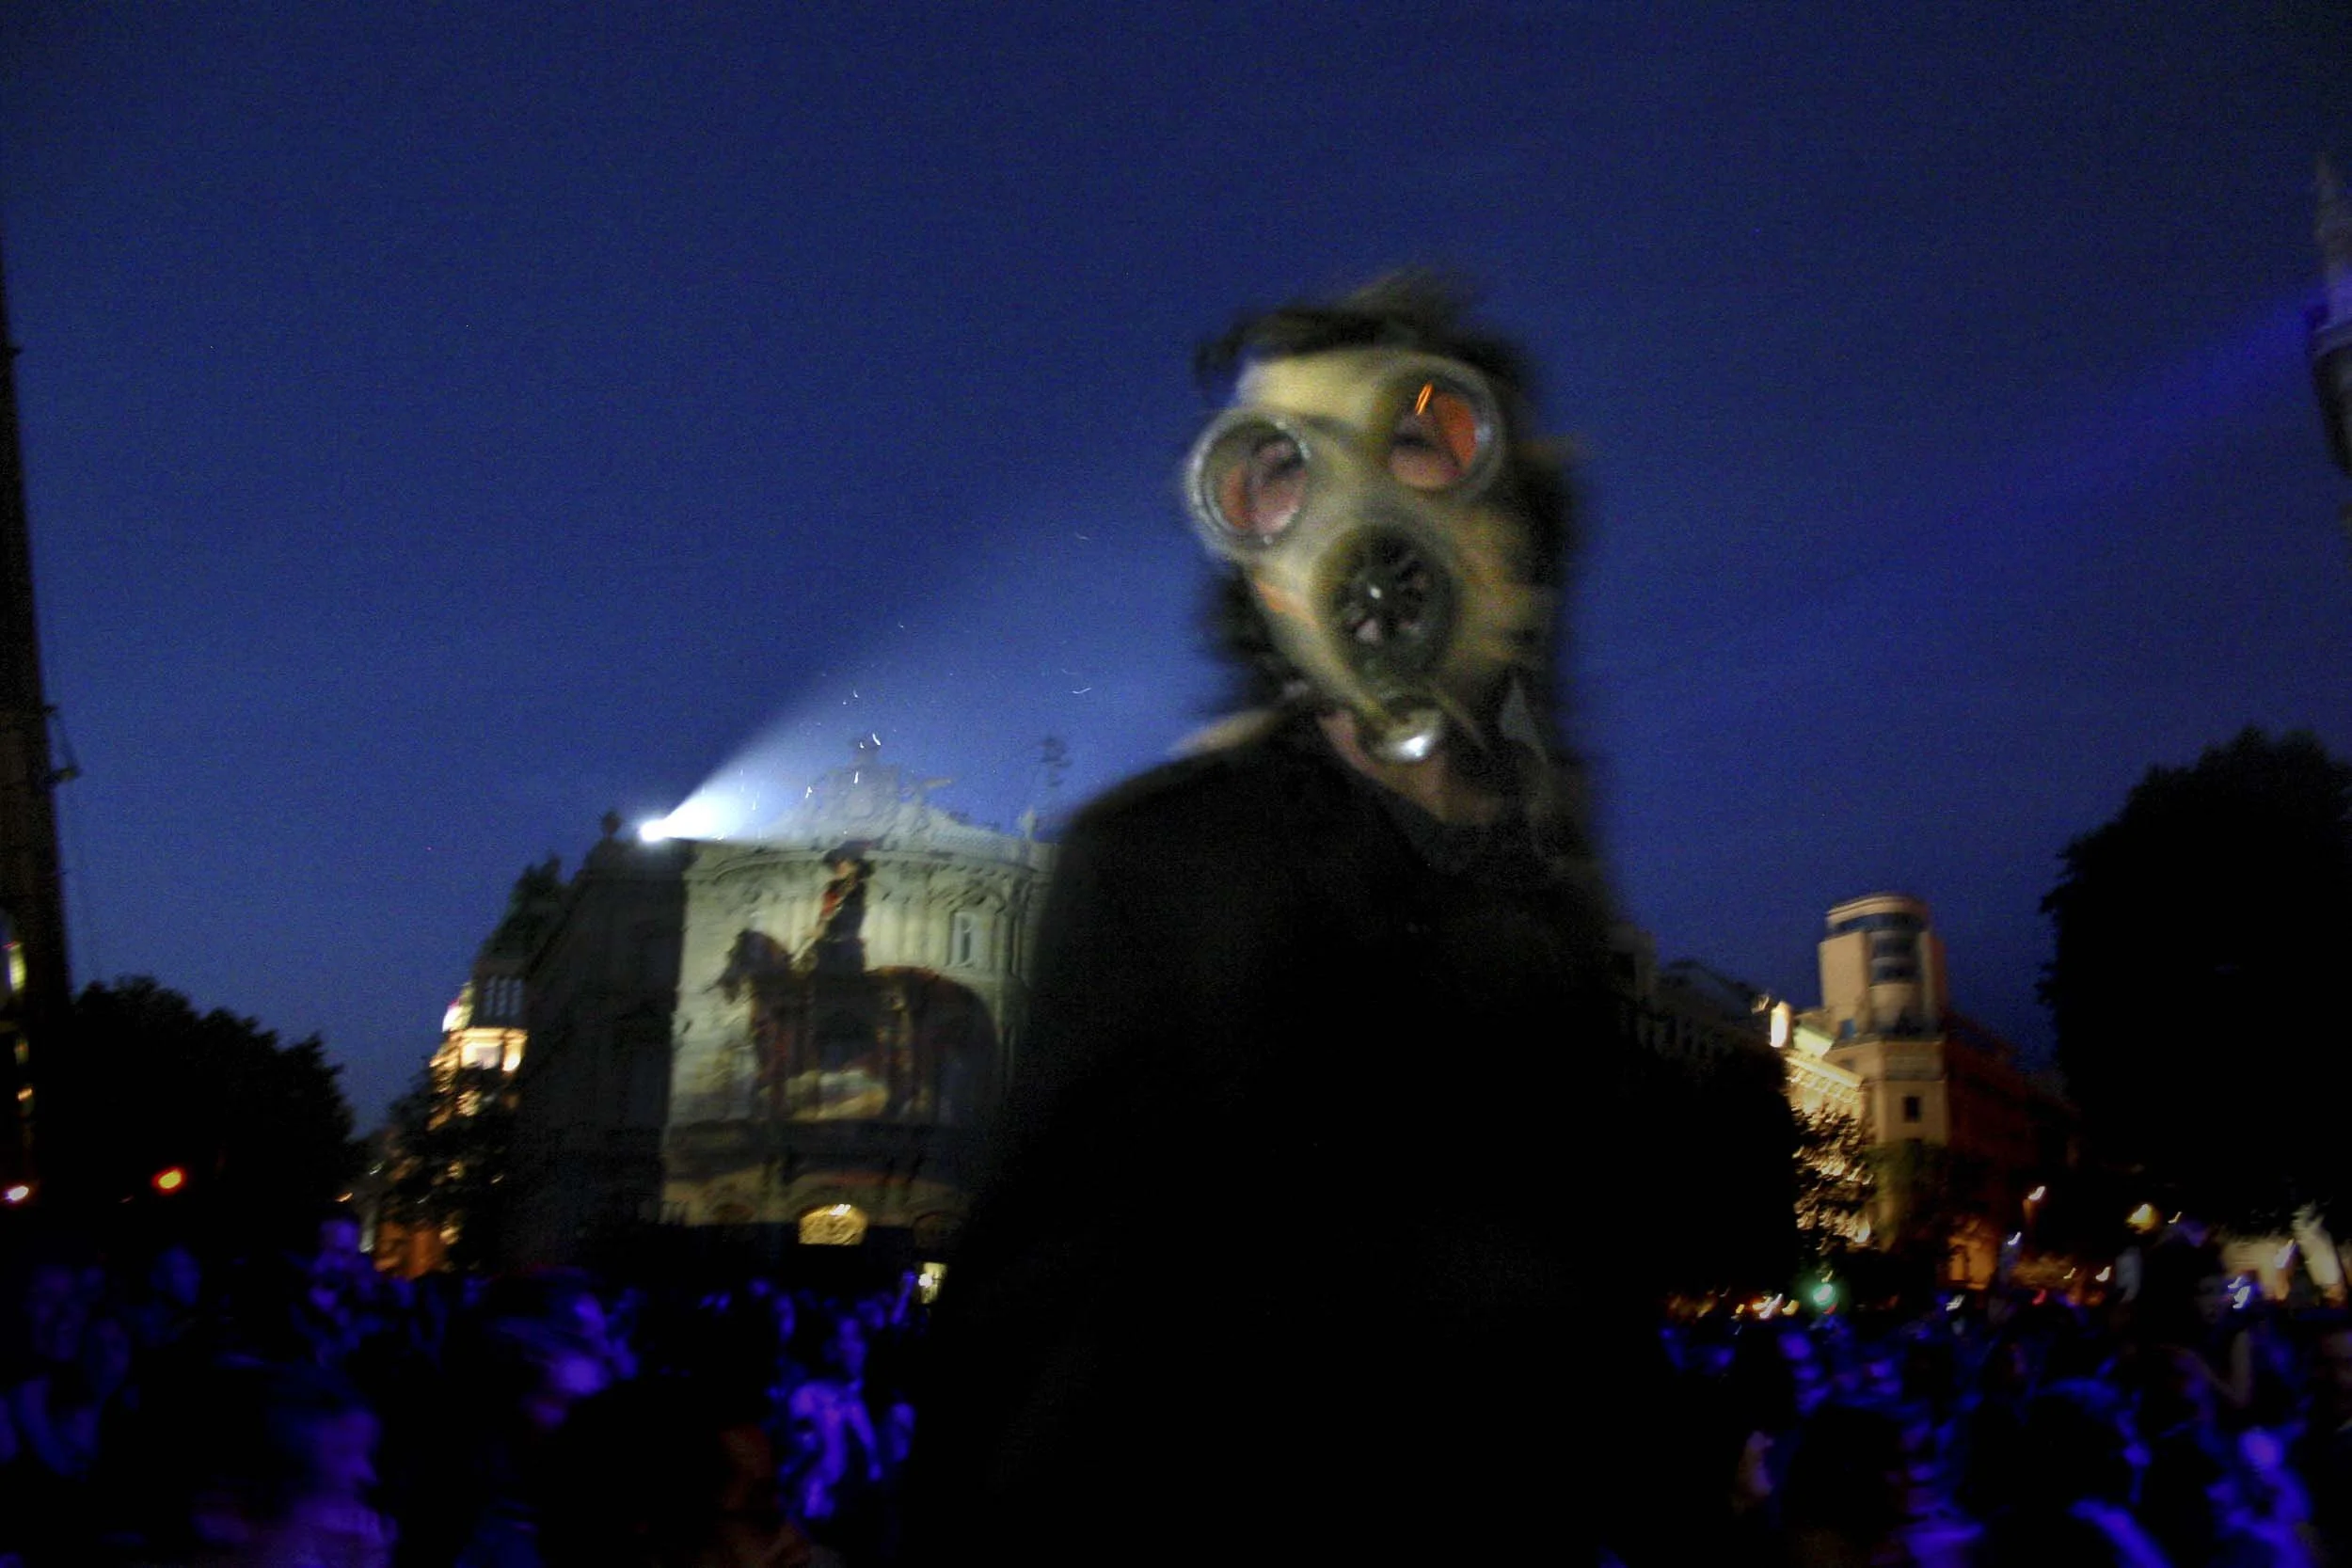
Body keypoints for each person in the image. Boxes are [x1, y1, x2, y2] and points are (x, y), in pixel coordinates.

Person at [908, 277, 1651, 1564]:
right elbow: (1023, 1358)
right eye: (1276, 476)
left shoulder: (1548, 895)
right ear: (1251, 576)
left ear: (1516, 533)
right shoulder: (1159, 866)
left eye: (1421, 438)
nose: (1353, 513)